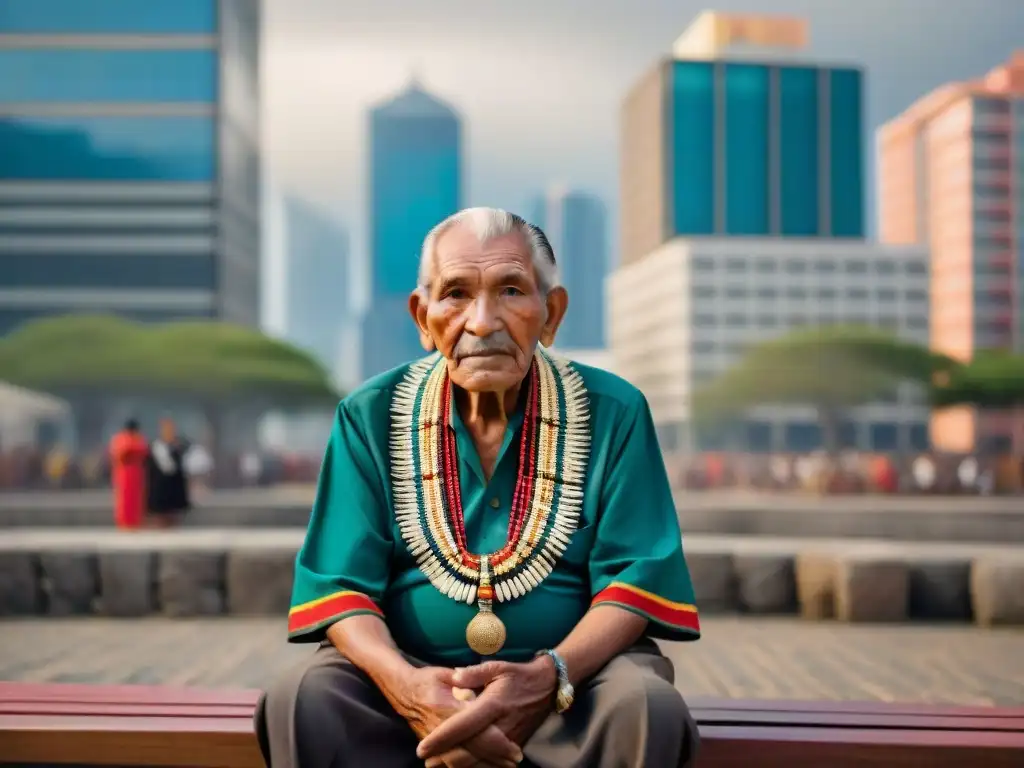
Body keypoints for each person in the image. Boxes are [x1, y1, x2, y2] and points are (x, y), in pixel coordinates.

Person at [257, 208, 702, 768]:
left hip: (572, 690)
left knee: (645, 706)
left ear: (552, 313)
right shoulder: (370, 416)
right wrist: (408, 688)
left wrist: (547, 676)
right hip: (402, 692)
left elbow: (635, 581)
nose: (483, 320)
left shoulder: (613, 412)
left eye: (511, 290)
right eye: (456, 295)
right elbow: (341, 586)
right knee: (304, 700)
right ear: (423, 317)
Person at [146, 417, 191, 528]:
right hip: (160, 485)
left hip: (174, 485)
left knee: (174, 512)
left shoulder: (177, 446)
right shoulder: (156, 446)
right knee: (160, 512)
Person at [108, 419, 148, 530]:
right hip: (124, 473)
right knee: (124, 498)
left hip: (135, 473)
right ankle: (124, 522)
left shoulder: (138, 438)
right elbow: (119, 453)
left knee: (136, 499)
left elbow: (144, 451)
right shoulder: (121, 439)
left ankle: (135, 521)